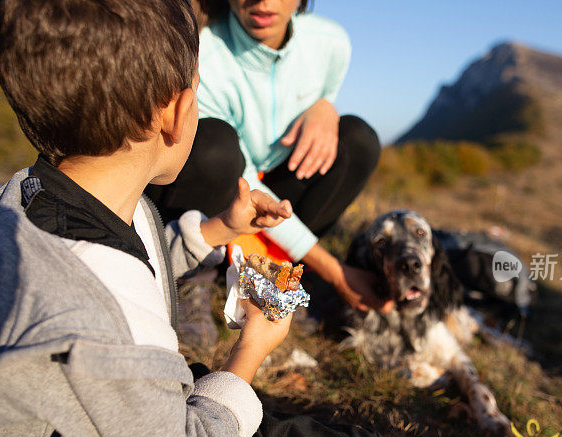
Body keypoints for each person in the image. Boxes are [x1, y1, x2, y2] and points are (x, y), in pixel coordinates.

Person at [0, 0, 562, 437]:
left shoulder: (38, 197)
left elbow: (132, 256)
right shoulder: (87, 325)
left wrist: (213, 231)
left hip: (113, 428)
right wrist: (249, 352)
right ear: (178, 111)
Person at [146, 0, 394, 314]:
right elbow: (243, 182)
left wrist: (324, 107)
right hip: (222, 197)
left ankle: (287, 270)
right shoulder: (202, 53)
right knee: (213, 146)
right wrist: (335, 272)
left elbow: (323, 108)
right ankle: (195, 276)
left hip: (277, 189)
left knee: (357, 140)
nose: (263, 1)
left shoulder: (331, 43)